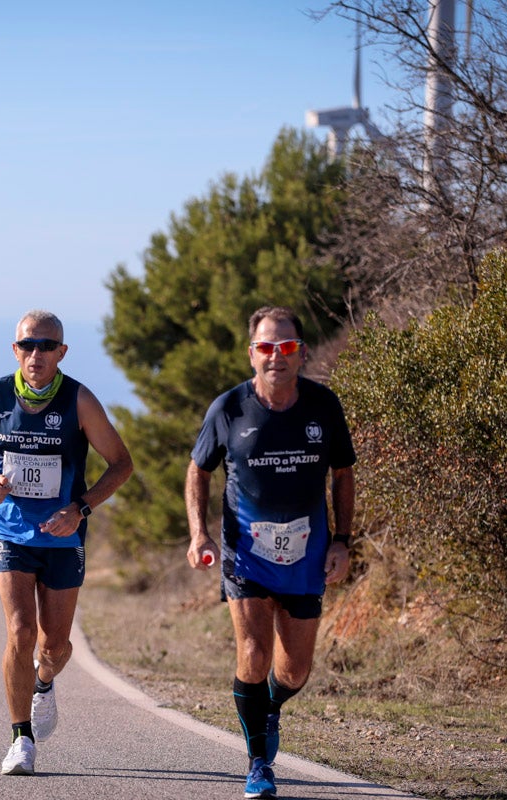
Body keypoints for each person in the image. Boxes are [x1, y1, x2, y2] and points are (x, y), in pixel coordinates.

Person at [0, 309, 133, 777]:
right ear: (15, 350)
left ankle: (44, 682)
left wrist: (81, 509)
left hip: (62, 535)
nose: (36, 354)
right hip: (9, 530)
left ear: (62, 352)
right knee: (20, 631)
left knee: (55, 647)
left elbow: (121, 464)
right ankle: (20, 740)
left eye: (46, 346)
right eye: (27, 345)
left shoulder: (79, 400)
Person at [185, 305, 355, 800]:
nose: (275, 356)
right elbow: (198, 470)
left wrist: (342, 542)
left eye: (286, 347)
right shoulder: (229, 409)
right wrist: (200, 535)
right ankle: (259, 762)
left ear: (300, 353)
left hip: (307, 554)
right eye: (265, 347)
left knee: (294, 669)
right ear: (251, 354)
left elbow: (343, 474)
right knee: (254, 653)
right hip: (246, 553)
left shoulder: (324, 406)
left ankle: (271, 706)